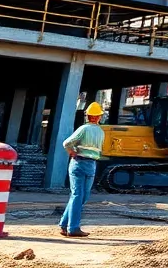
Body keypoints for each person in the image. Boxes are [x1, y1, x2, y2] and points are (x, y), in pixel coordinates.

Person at [58, 102, 105, 238]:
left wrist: (71, 152)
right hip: (90, 164)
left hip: (79, 163)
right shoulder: (100, 132)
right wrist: (72, 152)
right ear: (99, 117)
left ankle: (64, 224)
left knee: (78, 196)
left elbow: (67, 143)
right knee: (81, 196)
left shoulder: (83, 129)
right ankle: (73, 228)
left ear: (88, 116)